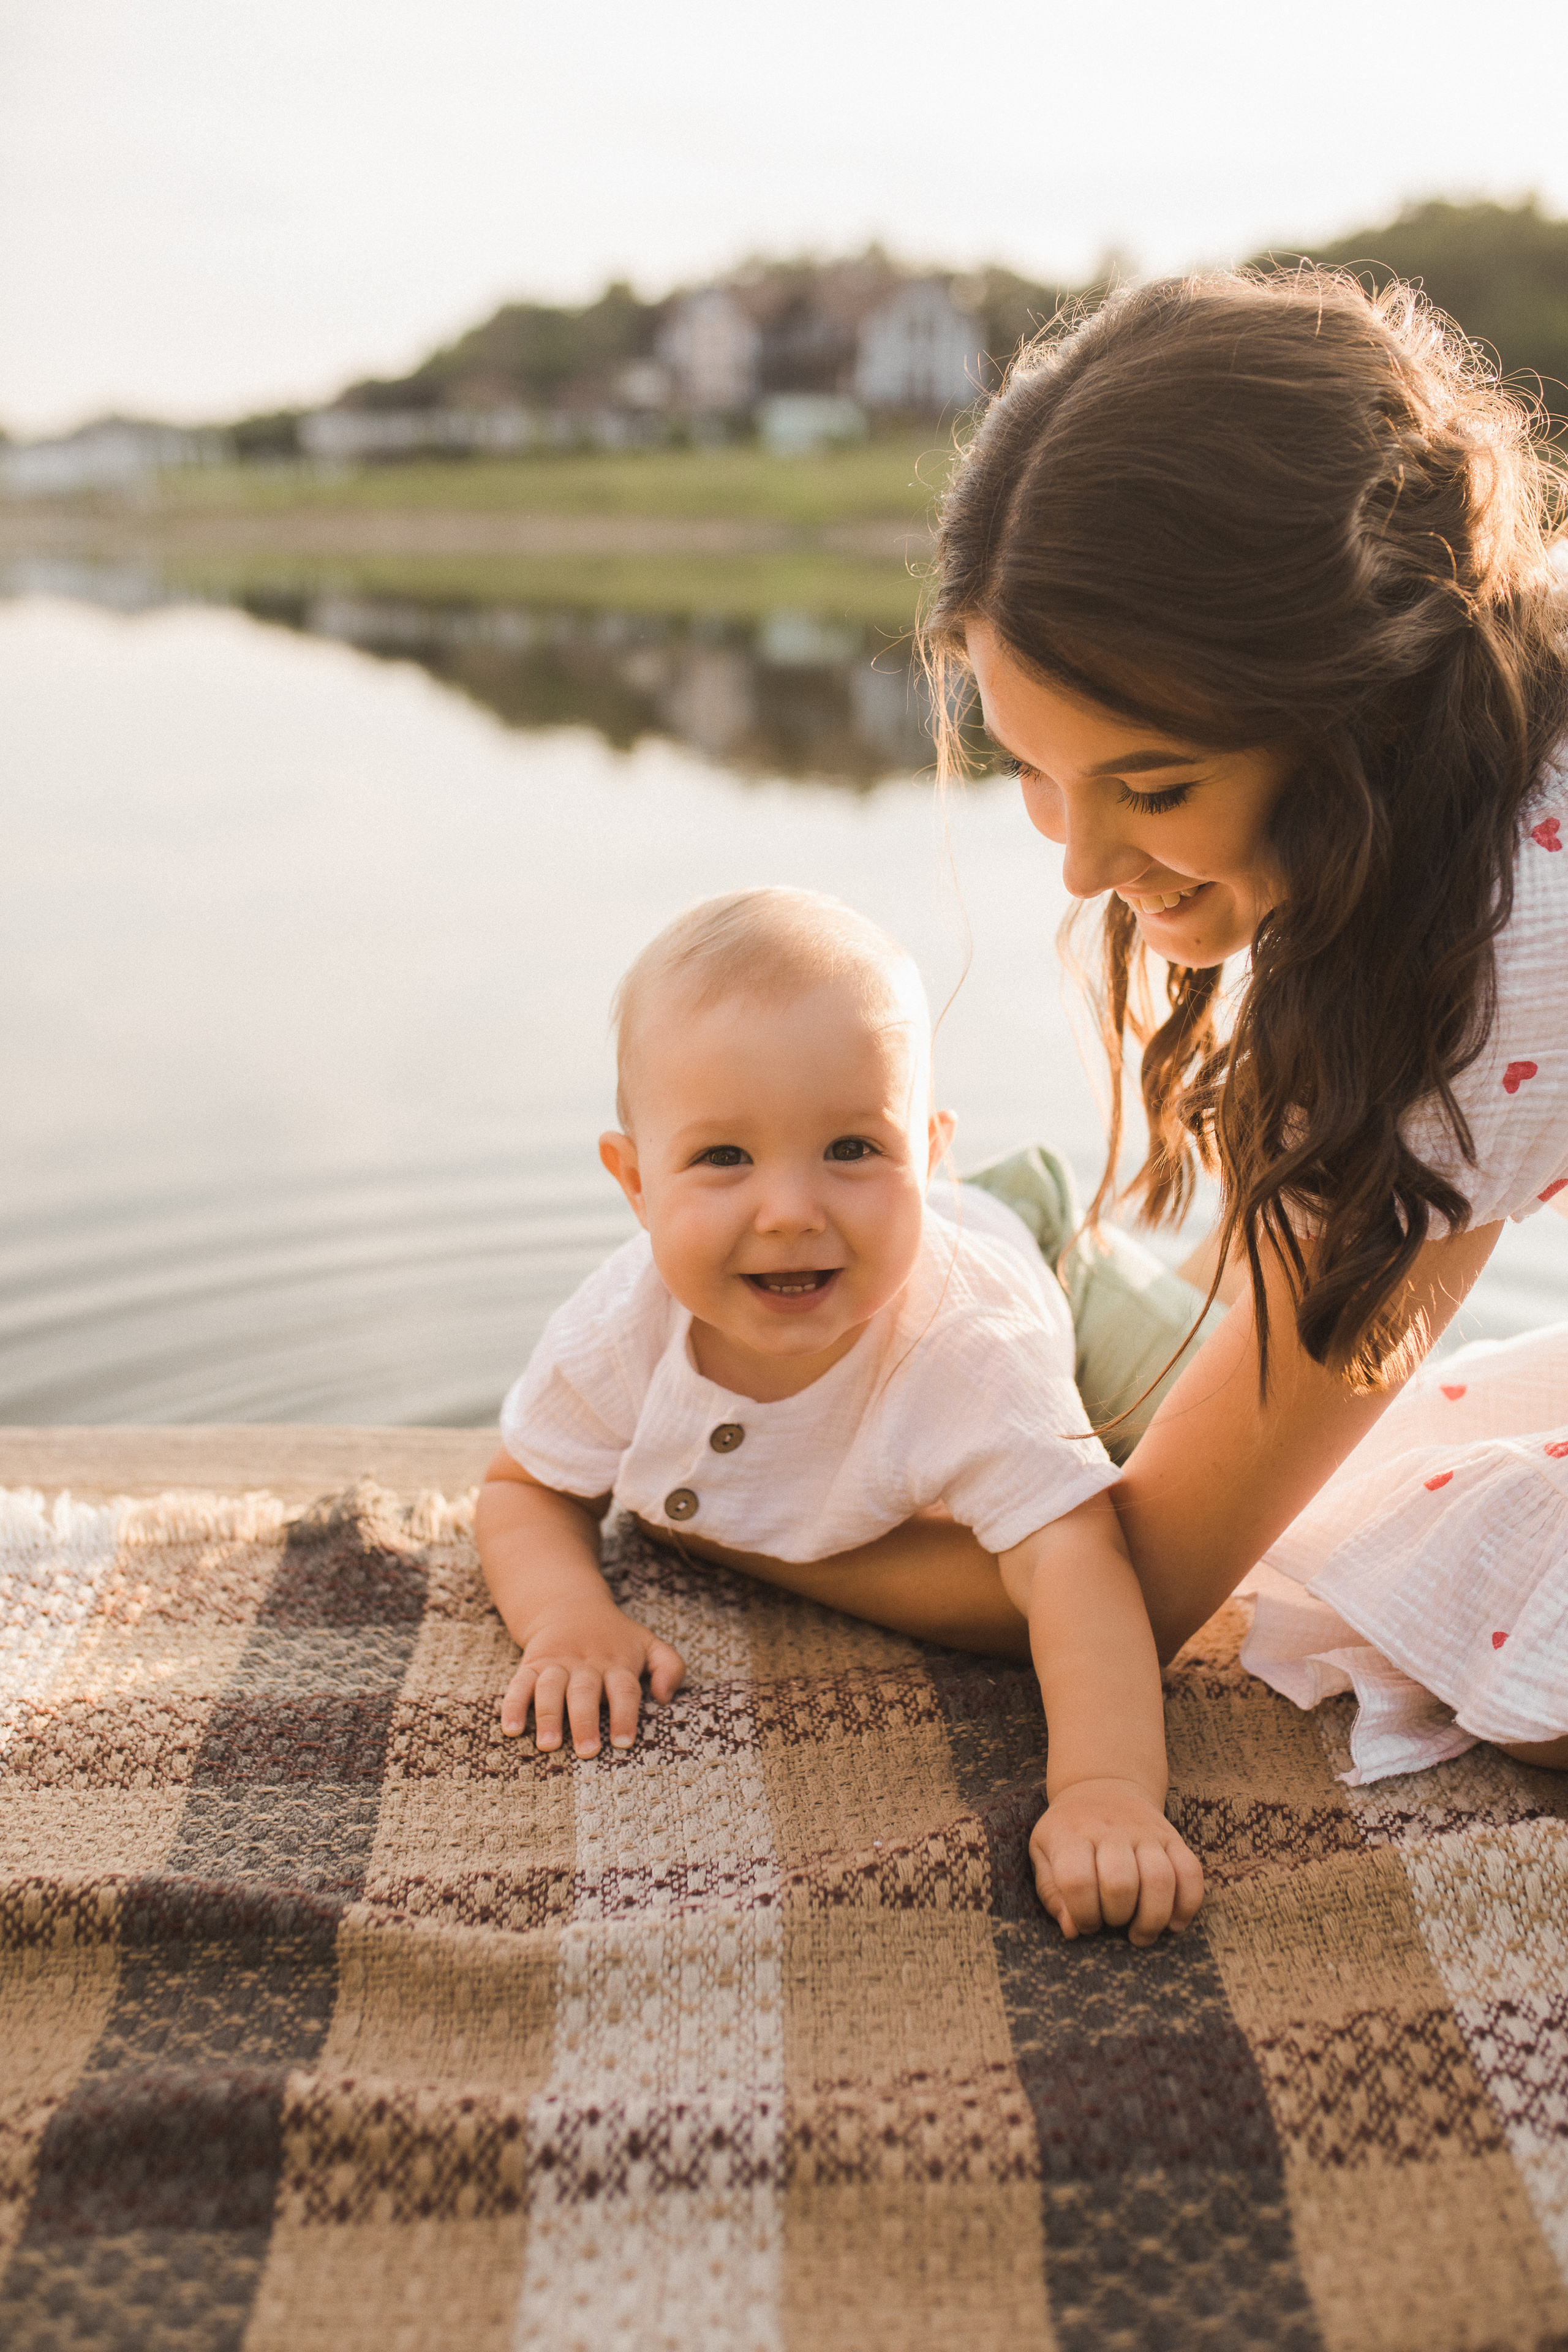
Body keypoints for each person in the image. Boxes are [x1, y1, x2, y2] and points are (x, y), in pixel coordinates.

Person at [654, 269, 1568, 1782]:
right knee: (1384, 1493)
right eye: (1032, 771)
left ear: (1361, 711)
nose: (1076, 865)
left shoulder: (1493, 944)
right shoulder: (1499, 695)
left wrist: (721, 1517)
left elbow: (1137, 1585)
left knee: (1456, 1589)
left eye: (1150, 788)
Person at [475, 888, 1205, 1945]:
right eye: (724, 1158)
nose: (789, 1210)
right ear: (634, 1183)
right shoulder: (620, 1327)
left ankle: (1206, 1265)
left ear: (928, 1153)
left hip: (1041, 1274)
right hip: (944, 1234)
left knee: (1189, 1385)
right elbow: (526, 1485)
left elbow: (1072, 1559)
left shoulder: (974, 1350)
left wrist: (1107, 1788)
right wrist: (568, 1618)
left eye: (854, 1149)